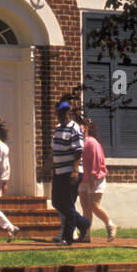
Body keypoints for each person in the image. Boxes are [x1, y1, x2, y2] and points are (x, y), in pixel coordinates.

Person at [47, 98, 91, 246]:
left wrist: (74, 171)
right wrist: (45, 169)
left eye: (64, 113)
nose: (62, 115)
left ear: (69, 114)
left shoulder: (75, 128)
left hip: (71, 172)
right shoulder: (58, 128)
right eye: (59, 113)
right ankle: (83, 223)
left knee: (68, 203)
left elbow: (78, 151)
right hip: (59, 172)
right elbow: (53, 151)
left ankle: (68, 238)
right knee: (57, 202)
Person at [78, 114, 117, 241]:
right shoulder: (80, 142)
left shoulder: (92, 142)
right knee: (85, 207)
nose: (79, 129)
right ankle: (86, 234)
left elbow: (97, 161)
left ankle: (110, 225)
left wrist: (93, 178)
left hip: (95, 179)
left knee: (94, 206)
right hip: (83, 178)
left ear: (86, 127)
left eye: (81, 126)